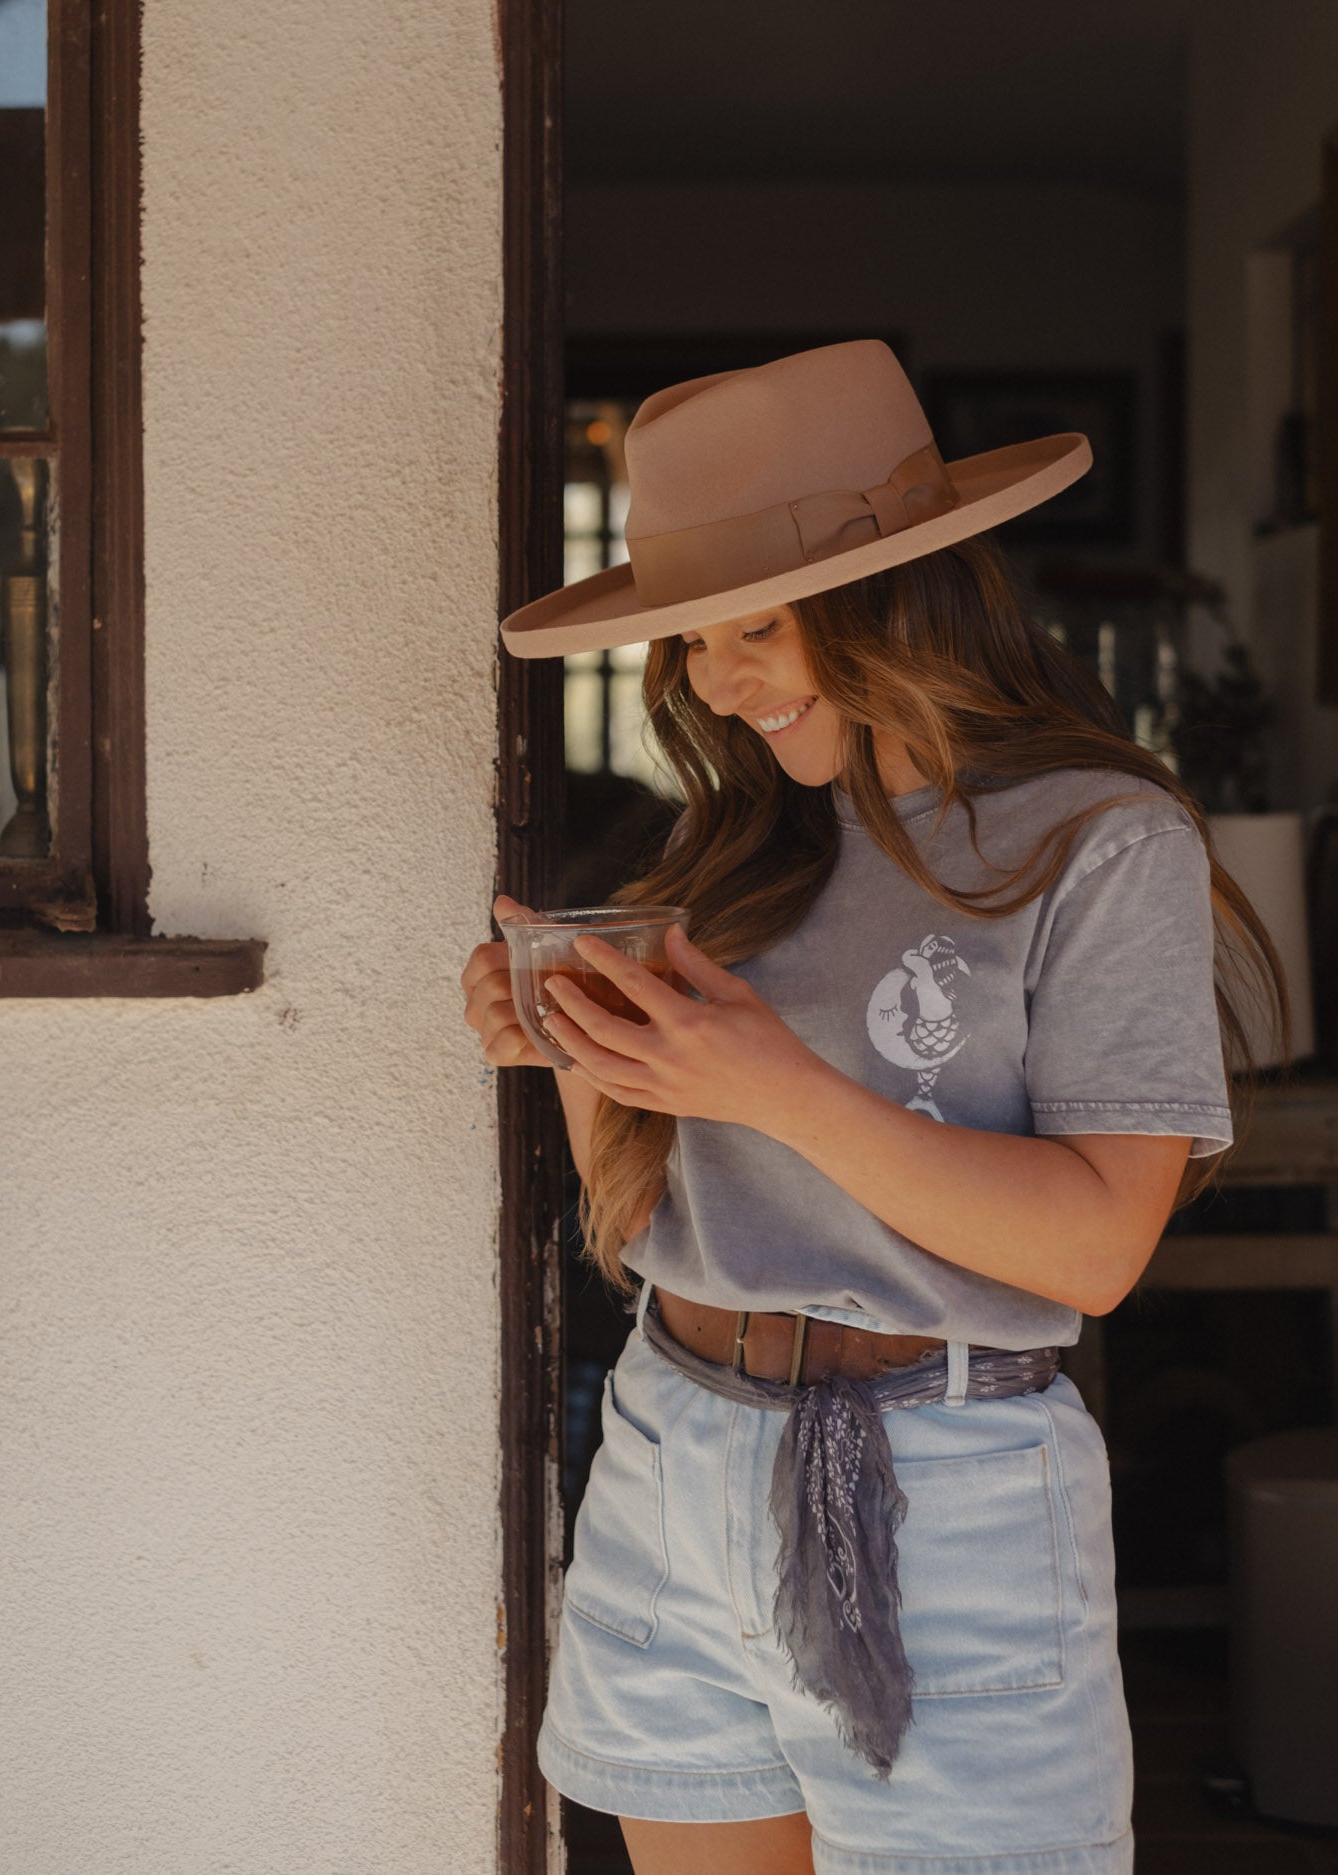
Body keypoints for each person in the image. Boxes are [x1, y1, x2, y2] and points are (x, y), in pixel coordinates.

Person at [461, 341, 1286, 1875]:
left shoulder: (1104, 844)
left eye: (754, 629)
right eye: (691, 643)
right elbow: (645, 1232)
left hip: (946, 1488)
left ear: (900, 597)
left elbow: (1098, 1252)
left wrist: (773, 1083)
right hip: (672, 1443)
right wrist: (578, 1048)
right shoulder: (733, 849)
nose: (715, 681)